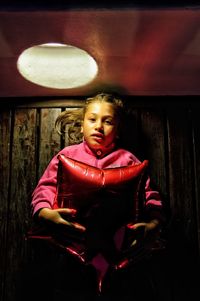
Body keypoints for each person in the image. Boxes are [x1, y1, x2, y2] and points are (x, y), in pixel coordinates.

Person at [30, 93, 165, 301]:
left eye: (108, 121)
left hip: (120, 255)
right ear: (82, 125)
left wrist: (154, 224)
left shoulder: (128, 159)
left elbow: (150, 195)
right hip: (71, 250)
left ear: (118, 130)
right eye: (92, 119)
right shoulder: (67, 155)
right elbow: (44, 189)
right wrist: (44, 213)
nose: (99, 126)